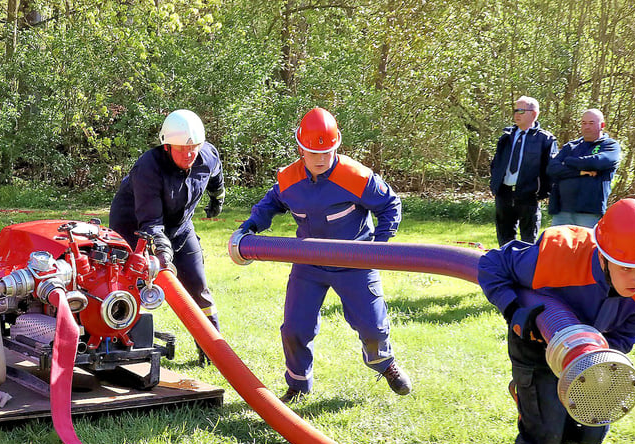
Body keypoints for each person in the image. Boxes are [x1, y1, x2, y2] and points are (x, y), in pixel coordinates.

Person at [477, 198, 635, 444]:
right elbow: (491, 264)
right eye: (626, 267)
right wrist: (514, 311)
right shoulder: (557, 253)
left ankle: (531, 399)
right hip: (536, 340)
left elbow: (625, 337)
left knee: (588, 433)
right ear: (604, 257)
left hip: (589, 356)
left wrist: (597, 352)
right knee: (545, 435)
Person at [237, 107, 411, 403]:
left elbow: (390, 206)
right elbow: (269, 204)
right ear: (300, 148)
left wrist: (378, 247)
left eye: (326, 152)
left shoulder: (357, 177)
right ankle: (298, 383)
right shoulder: (288, 179)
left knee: (372, 325)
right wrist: (249, 227)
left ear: (337, 146)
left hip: (355, 262)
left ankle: (384, 362)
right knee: (294, 327)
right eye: (311, 153)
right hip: (308, 263)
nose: (319, 159)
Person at [109, 109, 226, 363]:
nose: (189, 154)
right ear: (166, 146)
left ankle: (214, 353)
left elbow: (216, 177)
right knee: (130, 289)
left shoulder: (207, 155)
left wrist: (218, 199)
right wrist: (162, 255)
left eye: (194, 147)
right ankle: (120, 349)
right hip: (135, 230)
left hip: (180, 229)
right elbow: (151, 222)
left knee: (198, 288)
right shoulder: (148, 167)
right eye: (182, 148)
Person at [489, 96, 558, 246]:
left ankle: (526, 268)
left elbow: (551, 169)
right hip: (504, 194)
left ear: (533, 114)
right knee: (504, 239)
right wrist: (495, 185)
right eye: (515, 110)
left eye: (521, 111)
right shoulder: (506, 137)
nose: (516, 115)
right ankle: (506, 267)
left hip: (529, 195)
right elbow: (496, 163)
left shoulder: (545, 139)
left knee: (528, 241)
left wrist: (542, 193)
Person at [547, 109, 621, 228]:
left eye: (591, 123)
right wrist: (580, 172)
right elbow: (552, 168)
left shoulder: (610, 146)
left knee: (587, 246)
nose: (586, 127)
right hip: (562, 211)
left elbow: (597, 163)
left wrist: (568, 161)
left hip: (589, 212)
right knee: (557, 245)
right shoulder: (571, 146)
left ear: (602, 125)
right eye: (583, 123)